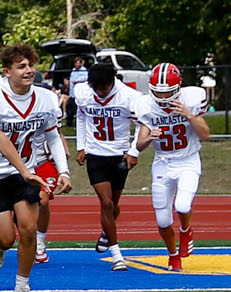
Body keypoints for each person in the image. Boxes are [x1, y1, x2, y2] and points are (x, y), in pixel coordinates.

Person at [0, 44, 70, 292]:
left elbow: (52, 134)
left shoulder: (46, 98)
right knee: (6, 239)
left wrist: (63, 170)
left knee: (28, 230)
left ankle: (22, 287)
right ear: (7, 72)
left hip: (26, 173)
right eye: (21, 66)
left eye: (30, 65)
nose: (28, 71)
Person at [71, 56, 147, 268]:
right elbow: (82, 116)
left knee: (113, 206)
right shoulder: (84, 92)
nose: (100, 92)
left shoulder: (129, 96)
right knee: (105, 203)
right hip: (95, 155)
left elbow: (143, 124)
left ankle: (106, 232)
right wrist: (81, 146)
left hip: (119, 154)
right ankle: (117, 255)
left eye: (104, 87)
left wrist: (134, 151)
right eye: (96, 87)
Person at [137, 62, 213, 268]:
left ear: (178, 88)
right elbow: (140, 144)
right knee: (162, 220)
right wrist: (149, 138)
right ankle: (173, 254)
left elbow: (206, 135)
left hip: (188, 160)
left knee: (182, 205)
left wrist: (189, 114)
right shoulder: (145, 105)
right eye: (158, 93)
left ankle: (186, 230)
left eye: (168, 93)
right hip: (162, 162)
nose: (162, 98)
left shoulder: (192, 98)